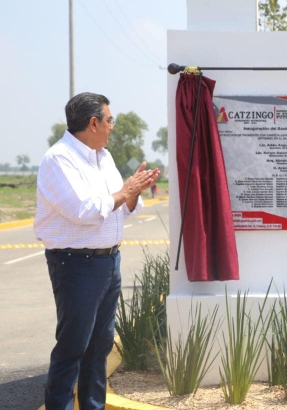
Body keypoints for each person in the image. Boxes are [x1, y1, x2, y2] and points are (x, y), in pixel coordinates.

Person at [34, 92, 160, 410]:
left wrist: (133, 191)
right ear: (93, 123)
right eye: (109, 120)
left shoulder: (103, 156)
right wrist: (125, 191)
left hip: (107, 262)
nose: (112, 127)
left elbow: (122, 207)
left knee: (99, 347)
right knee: (73, 347)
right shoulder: (59, 159)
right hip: (76, 265)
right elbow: (85, 210)